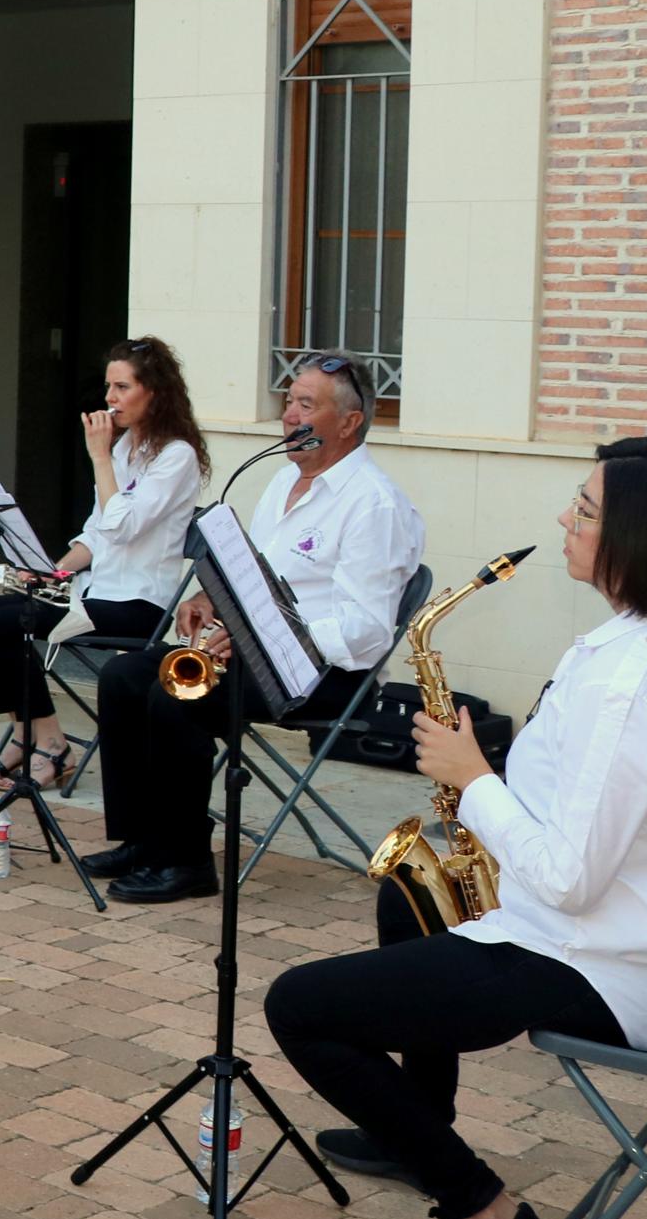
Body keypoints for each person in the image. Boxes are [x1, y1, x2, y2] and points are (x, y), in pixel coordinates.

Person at [265, 437, 647, 1219]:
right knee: (406, 904)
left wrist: (475, 779)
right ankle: (417, 1128)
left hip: (619, 962)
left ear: (639, 539)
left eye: (585, 509)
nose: (564, 520)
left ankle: (485, 1216)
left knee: (299, 1007)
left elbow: (571, 878)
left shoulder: (636, 680)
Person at [89, 358, 425, 902]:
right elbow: (257, 576)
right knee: (124, 676)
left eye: (307, 406)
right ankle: (145, 840)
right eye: (288, 402)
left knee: (172, 697)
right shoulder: (281, 480)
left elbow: (363, 631)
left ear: (350, 422)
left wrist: (264, 633)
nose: (290, 416)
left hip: (324, 673)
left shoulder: (373, 504)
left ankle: (187, 861)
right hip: (261, 649)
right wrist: (211, 600)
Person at [0, 338, 207, 791]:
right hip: (93, 589)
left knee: (7, 624)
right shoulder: (126, 446)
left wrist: (100, 458)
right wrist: (55, 571)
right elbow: (96, 534)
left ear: (154, 392)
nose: (109, 399)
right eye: (109, 386)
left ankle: (50, 744)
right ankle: (28, 731)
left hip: (139, 600)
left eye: (122, 387)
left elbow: (123, 527)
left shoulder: (176, 456)